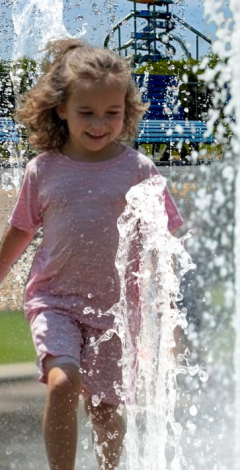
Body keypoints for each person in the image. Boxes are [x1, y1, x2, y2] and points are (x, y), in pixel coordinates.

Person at [0, 39, 183, 470]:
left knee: (104, 409)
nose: (100, 123)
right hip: (55, 300)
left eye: (112, 113)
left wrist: (167, 310)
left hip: (117, 310)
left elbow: (164, 242)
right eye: (87, 113)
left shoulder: (139, 170)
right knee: (62, 381)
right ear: (62, 108)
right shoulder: (42, 170)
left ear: (126, 110)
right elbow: (20, 232)